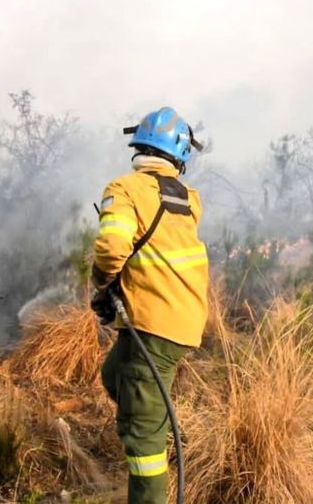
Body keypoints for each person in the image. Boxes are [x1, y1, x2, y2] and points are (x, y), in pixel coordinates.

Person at [91, 106, 209, 504]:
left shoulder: (125, 189)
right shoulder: (188, 198)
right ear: (178, 158)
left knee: (143, 449)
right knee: (114, 375)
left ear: (139, 146)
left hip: (154, 326)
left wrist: (102, 286)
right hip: (183, 318)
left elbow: (111, 248)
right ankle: (154, 420)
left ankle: (151, 438)